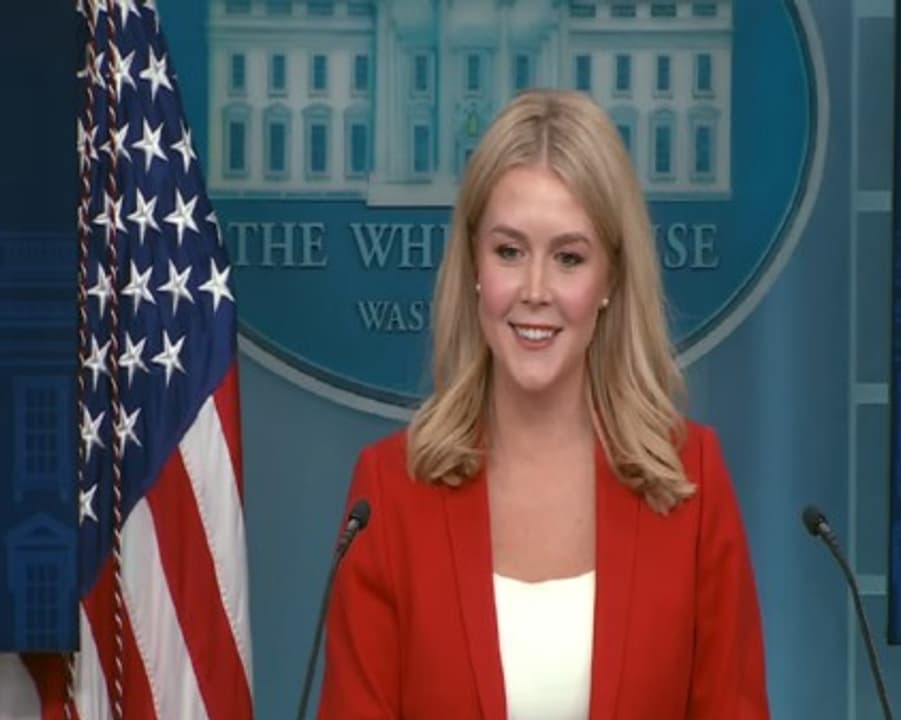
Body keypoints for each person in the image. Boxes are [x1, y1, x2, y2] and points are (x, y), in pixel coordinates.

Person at [318, 88, 770, 719]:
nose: (535, 290)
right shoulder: (389, 492)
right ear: (474, 267)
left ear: (611, 277)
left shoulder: (692, 480)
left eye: (568, 258)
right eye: (509, 251)